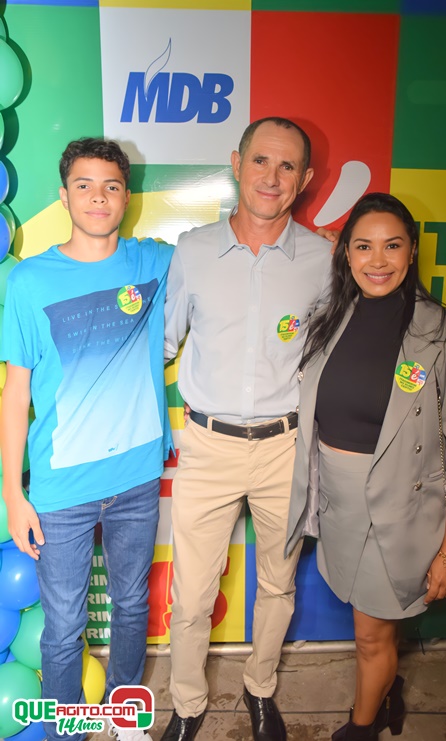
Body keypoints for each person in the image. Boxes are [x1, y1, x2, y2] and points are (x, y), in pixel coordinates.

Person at [285, 192, 446, 740]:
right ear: (346, 254)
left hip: (400, 514)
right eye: (363, 247)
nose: (377, 261)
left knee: (370, 636)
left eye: (392, 246)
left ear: (413, 250)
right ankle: (388, 688)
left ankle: (363, 726)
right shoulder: (330, 318)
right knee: (372, 627)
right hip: (338, 508)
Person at [162, 117, 334, 741]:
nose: (272, 177)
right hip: (207, 446)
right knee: (191, 597)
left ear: (305, 179)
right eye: (261, 160)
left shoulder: (324, 259)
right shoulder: (191, 251)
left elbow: (335, 352)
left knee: (277, 587)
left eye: (288, 166)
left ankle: (260, 688)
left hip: (286, 448)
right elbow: (162, 343)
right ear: (237, 163)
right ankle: (187, 704)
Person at [0, 138, 174, 741]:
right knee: (63, 627)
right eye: (84, 185)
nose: (98, 197)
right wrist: (14, 495)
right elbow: (15, 395)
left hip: (136, 480)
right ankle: (67, 731)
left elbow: (227, 252)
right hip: (61, 491)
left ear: (126, 196)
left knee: (131, 607)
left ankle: (125, 716)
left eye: (111, 186)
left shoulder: (155, 263)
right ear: (64, 194)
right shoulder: (30, 281)